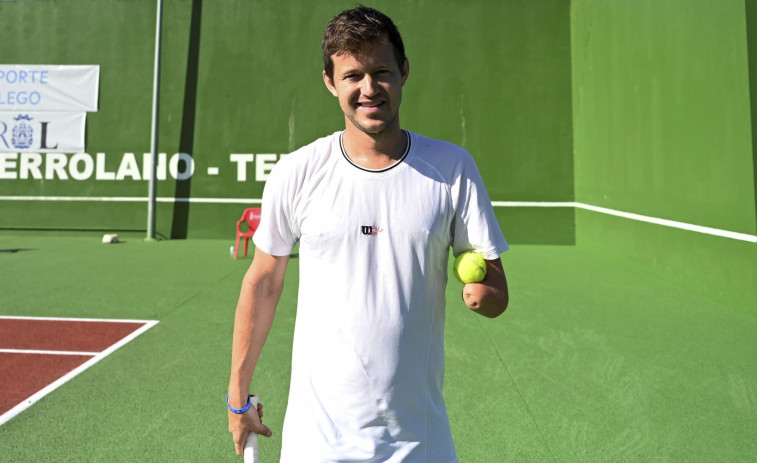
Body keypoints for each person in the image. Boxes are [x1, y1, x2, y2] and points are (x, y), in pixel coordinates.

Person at [227, 6, 509, 462]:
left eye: (382, 71)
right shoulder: (297, 172)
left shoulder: (453, 168)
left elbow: (496, 284)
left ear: (404, 72)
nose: (369, 88)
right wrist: (236, 399)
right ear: (329, 81)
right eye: (352, 75)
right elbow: (263, 283)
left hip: (419, 443)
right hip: (316, 444)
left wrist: (485, 295)